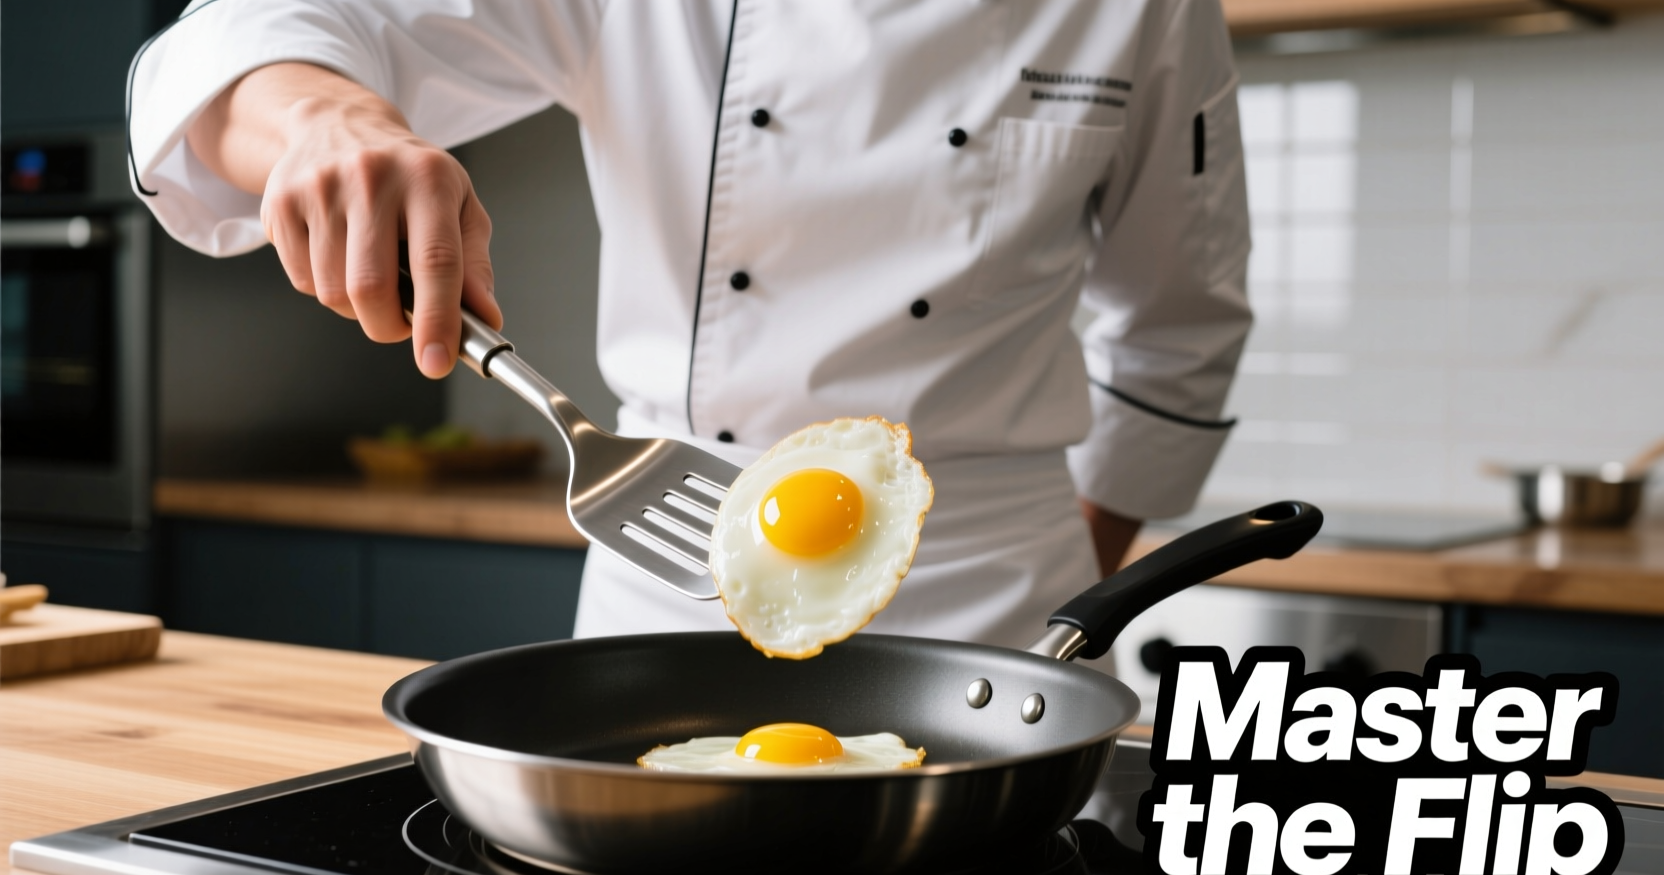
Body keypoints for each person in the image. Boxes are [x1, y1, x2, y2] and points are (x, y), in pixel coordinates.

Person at [129, 0, 1251, 664]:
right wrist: (327, 117)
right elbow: (235, 41)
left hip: (992, 606)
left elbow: (1176, 332)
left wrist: (1064, 604)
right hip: (672, 581)